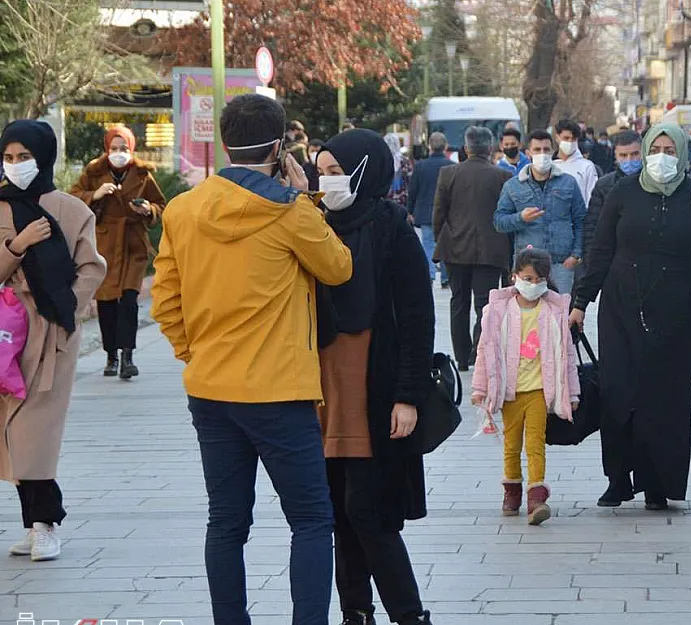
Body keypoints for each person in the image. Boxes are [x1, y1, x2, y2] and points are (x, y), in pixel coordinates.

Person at [151, 94, 354, 625]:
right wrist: (304, 196)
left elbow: (166, 301)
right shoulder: (288, 211)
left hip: (211, 390)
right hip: (279, 393)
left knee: (226, 522)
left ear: (223, 142)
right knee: (311, 519)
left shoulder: (182, 210)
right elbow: (338, 268)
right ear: (280, 144)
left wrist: (193, 352)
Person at [570, 124, 691, 510]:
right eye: (655, 148)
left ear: (681, 154)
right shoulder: (623, 193)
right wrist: (581, 302)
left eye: (669, 149)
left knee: (666, 398)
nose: (661, 156)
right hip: (620, 308)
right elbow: (600, 251)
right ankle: (618, 479)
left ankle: (657, 483)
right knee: (618, 393)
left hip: (676, 311)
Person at [314, 129, 434, 625]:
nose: (327, 181)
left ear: (364, 171)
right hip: (319, 390)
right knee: (336, 514)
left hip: (372, 388)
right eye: (320, 171)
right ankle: (355, 612)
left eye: (336, 171)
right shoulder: (311, 222)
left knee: (369, 511)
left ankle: (409, 615)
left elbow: (416, 317)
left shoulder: (391, 227)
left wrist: (407, 395)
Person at [0, 120, 107, 562]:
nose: (15, 165)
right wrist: (18, 245)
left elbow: (92, 267)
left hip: (52, 335)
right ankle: (34, 523)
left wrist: (67, 310)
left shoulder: (71, 209)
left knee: (35, 432)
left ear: (44, 156)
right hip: (8, 335)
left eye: (24, 157)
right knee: (12, 432)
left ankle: (46, 524)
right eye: (8, 157)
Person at [471, 248, 580, 526]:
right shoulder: (499, 311)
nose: (533, 284)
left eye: (539, 279)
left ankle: (536, 496)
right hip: (509, 391)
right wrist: (480, 388)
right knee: (511, 445)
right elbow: (486, 351)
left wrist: (572, 392)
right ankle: (512, 491)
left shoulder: (554, 311)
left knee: (535, 444)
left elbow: (567, 355)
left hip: (538, 392)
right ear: (515, 276)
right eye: (528, 278)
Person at [70, 125, 166, 380]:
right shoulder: (94, 172)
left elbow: (160, 204)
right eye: (114, 148)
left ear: (131, 149)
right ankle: (111, 355)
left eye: (123, 148)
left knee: (129, 301)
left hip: (133, 244)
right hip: (104, 246)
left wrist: (148, 210)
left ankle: (127, 356)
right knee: (107, 303)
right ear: (107, 149)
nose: (119, 153)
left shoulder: (142, 173)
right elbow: (72, 198)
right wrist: (95, 194)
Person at [433, 126, 513, 370]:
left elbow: (439, 213)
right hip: (491, 249)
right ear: (490, 148)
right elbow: (507, 216)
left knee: (458, 302)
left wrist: (442, 238)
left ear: (466, 148)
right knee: (485, 305)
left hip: (455, 247)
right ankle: (479, 351)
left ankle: (461, 355)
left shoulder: (448, 173)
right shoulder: (502, 177)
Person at [495, 129, 587, 295]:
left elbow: (580, 219)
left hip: (561, 263)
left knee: (559, 314)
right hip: (527, 265)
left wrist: (576, 254)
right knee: (528, 316)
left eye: (546, 149)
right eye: (537, 150)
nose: (542, 154)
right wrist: (520, 218)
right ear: (528, 153)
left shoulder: (568, 182)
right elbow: (499, 221)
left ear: (553, 151)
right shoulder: (513, 185)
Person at [583, 130, 641, 268]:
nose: (629, 160)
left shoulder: (654, 184)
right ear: (615, 155)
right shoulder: (604, 185)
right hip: (614, 259)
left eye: (634, 154)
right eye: (623, 155)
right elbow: (592, 226)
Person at [408, 132, 452, 288]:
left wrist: (410, 210)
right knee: (446, 245)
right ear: (445, 146)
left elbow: (413, 190)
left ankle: (430, 274)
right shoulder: (451, 166)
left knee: (428, 245)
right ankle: (446, 277)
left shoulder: (420, 166)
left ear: (429, 146)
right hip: (448, 213)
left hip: (425, 212)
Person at [554, 119, 599, 204]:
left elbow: (592, 199)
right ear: (557, 137)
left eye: (573, 139)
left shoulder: (587, 167)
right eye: (566, 138)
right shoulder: (550, 165)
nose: (570, 142)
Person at [385, 134, 412, 207]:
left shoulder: (382, 162)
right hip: (402, 199)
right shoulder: (405, 161)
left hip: (386, 200)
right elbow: (410, 180)